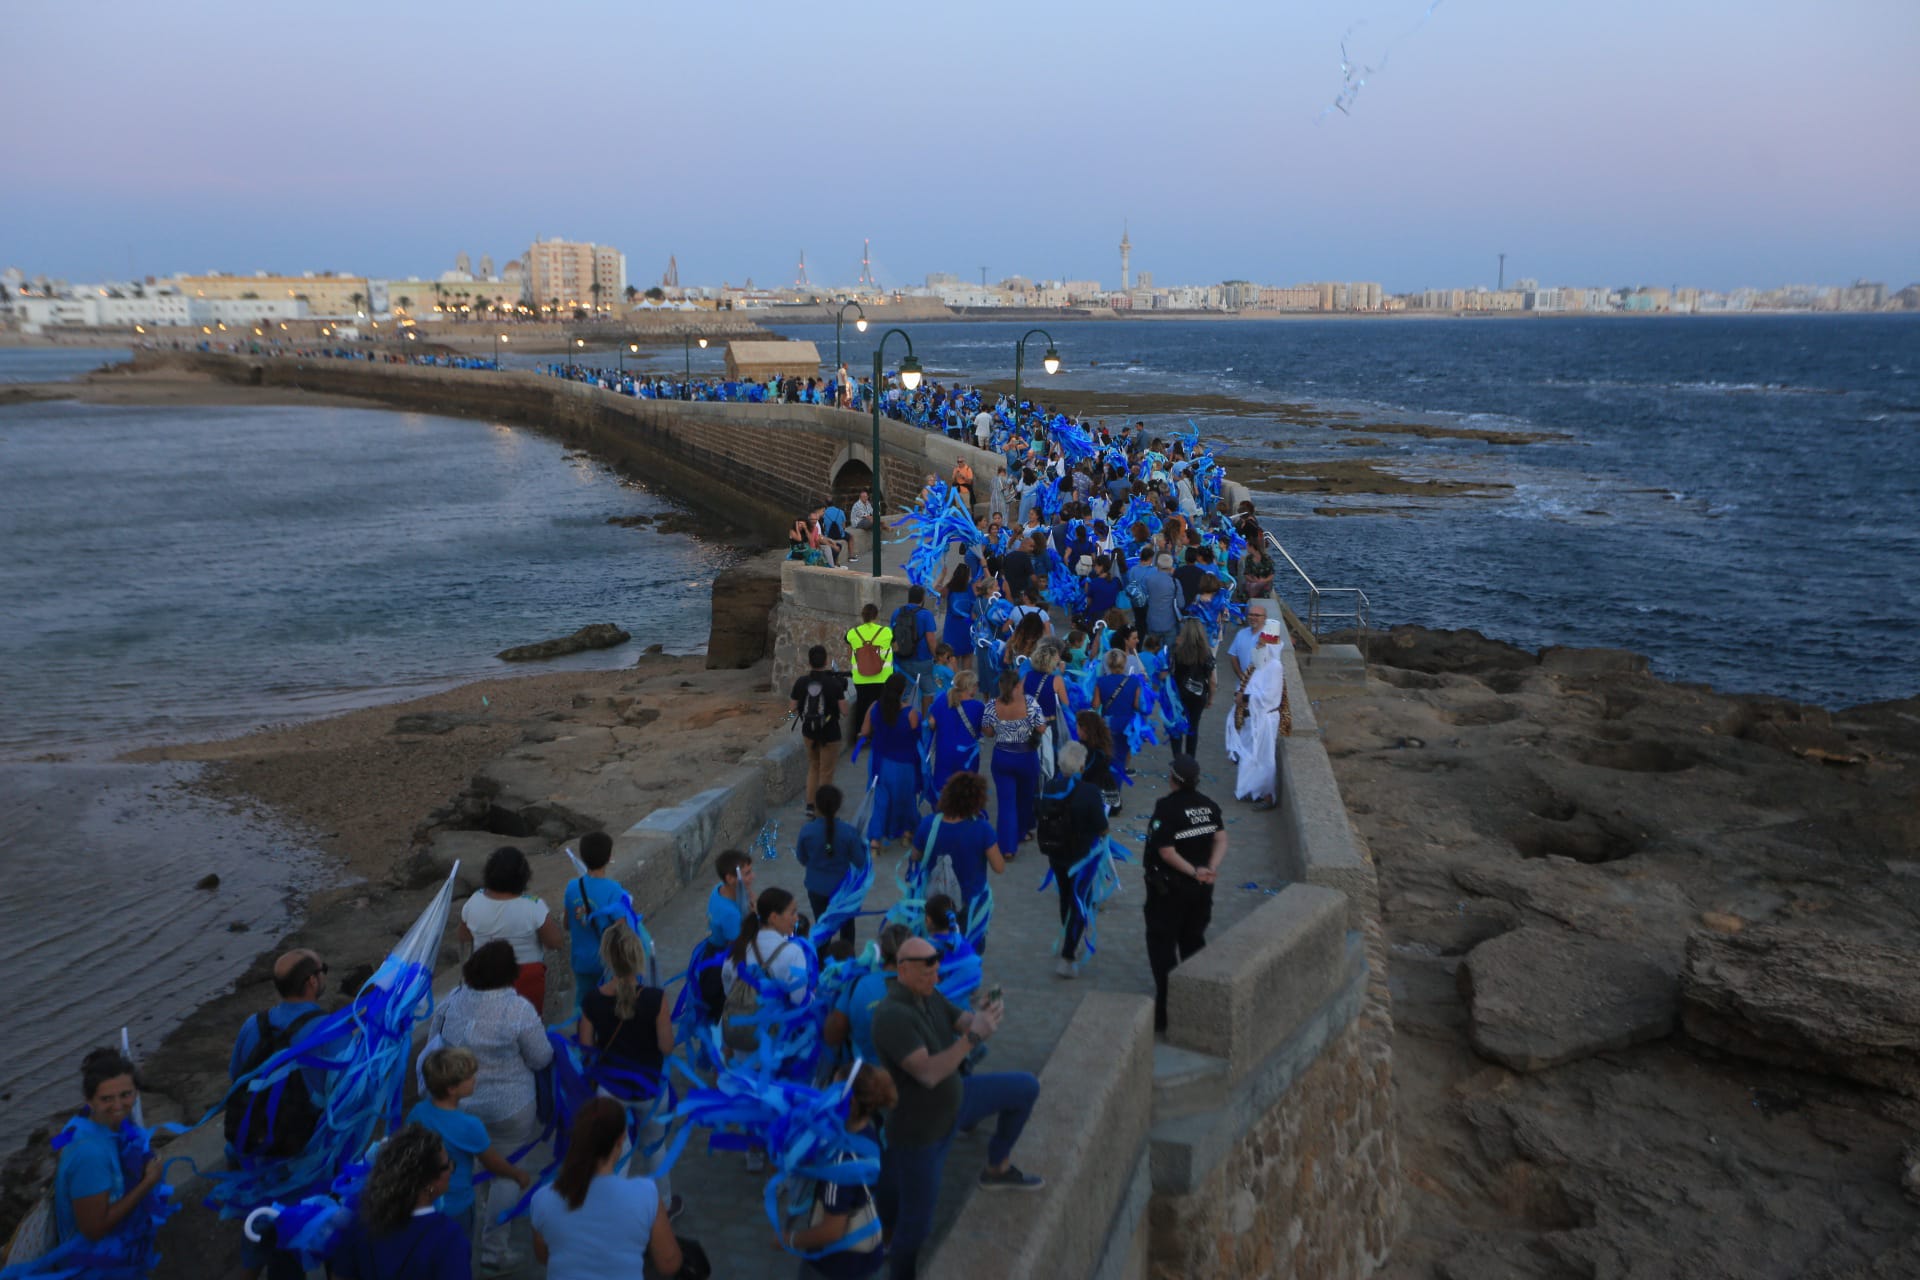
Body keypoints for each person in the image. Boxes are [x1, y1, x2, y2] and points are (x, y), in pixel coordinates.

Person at [873, 938, 1043, 1280]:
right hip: (922, 1132)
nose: (936, 976)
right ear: (903, 970)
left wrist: (984, 1014)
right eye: (928, 970)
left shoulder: (929, 994)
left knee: (1025, 1087)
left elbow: (963, 1021)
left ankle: (997, 1167)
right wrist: (973, 1038)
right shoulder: (892, 1016)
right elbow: (929, 1073)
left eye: (938, 968)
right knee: (916, 1228)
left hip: (957, 1102)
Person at [428, 941, 554, 1270]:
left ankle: (482, 1217)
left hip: (463, 1104)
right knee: (509, 1171)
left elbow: (435, 1046)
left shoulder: (452, 1003)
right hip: (512, 1106)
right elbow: (541, 1057)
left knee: (478, 1164)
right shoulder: (518, 1010)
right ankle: (494, 1250)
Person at [578, 922, 680, 1215]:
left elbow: (587, 1049)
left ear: (606, 957)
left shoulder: (592, 1000)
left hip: (611, 1088)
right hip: (649, 1085)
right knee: (654, 1145)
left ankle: (614, 1210)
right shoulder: (655, 999)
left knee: (615, 1152)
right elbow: (667, 1047)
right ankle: (663, 1205)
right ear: (637, 957)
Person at [530, 1098, 683, 1280]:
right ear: (621, 1140)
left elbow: (544, 1257)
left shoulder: (542, 1199)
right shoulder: (645, 1194)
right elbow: (669, 1264)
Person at [407, 1047, 530, 1246]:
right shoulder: (469, 1126)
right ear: (451, 1088)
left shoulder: (418, 1112)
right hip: (457, 1205)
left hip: (425, 1201)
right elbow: (493, 1163)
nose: (474, 1079)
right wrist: (517, 1174)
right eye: (469, 1077)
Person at [1142, 755, 1227, 1033]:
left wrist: (1192, 871)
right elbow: (1221, 837)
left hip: (1171, 890)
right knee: (1193, 941)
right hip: (1202, 889)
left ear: (1173, 779)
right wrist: (1210, 868)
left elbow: (1166, 851)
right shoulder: (1209, 805)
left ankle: (1166, 1009)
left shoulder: (1167, 809)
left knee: (1163, 946)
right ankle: (1197, 1002)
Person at [786, 1063, 896, 1279]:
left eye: (833, 1090)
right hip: (867, 1260)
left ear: (850, 1102)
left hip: (833, 1267)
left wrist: (789, 1239)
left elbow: (832, 1230)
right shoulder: (869, 1131)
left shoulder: (840, 1162)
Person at [53, 1048, 163, 1253]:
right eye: (106, 1099)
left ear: (136, 1092)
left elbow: (58, 1143)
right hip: (95, 1262)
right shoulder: (91, 1155)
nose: (118, 1105)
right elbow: (94, 1231)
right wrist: (148, 1182)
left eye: (126, 1094)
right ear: (89, 1100)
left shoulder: (108, 1124)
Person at [327, 1125, 471, 1280]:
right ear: (429, 1183)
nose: (451, 1168)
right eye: (446, 1165)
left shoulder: (359, 1220)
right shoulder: (448, 1238)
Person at [458, 846, 564, 1017]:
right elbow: (555, 942)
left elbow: (464, 936)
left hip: (485, 975)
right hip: (526, 978)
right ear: (523, 877)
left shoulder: (473, 902)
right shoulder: (534, 905)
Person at [1037, 741, 1109, 978]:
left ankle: (1069, 937)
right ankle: (1068, 954)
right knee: (1079, 900)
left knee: (1066, 897)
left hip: (1056, 852)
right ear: (1081, 766)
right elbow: (1101, 826)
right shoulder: (1089, 792)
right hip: (1082, 855)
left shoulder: (1050, 786)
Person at [910, 773, 1006, 940]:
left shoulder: (928, 823)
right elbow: (999, 867)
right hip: (970, 902)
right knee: (968, 950)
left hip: (936, 902)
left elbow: (915, 856)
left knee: (936, 949)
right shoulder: (982, 829)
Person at [979, 670, 1047, 855]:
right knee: (1025, 799)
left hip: (1002, 756)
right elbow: (1041, 727)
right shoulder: (1030, 703)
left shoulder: (992, 705)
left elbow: (987, 731)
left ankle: (1007, 848)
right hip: (1026, 757)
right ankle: (1022, 832)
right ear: (1018, 686)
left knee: (1006, 803)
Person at [856, 673, 923, 855]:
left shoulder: (874, 708)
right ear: (903, 692)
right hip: (904, 764)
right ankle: (907, 833)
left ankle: (875, 841)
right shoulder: (911, 714)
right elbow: (918, 737)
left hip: (880, 762)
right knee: (907, 798)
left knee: (880, 800)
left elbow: (864, 731)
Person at [1225, 619, 1288, 810]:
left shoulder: (1275, 666)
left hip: (1265, 719)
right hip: (1253, 717)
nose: (1258, 645)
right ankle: (1252, 790)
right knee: (1251, 755)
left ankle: (1267, 795)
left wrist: (1245, 699)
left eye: (1261, 643)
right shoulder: (1260, 664)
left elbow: (1269, 696)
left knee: (1264, 757)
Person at [796, 784, 869, 946]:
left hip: (816, 888)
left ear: (816, 805)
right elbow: (860, 861)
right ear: (838, 806)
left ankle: (821, 962)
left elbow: (801, 858)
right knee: (847, 927)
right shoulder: (849, 832)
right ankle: (846, 958)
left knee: (822, 925)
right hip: (843, 890)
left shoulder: (807, 831)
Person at [562, 831, 626, 998]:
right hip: (606, 963)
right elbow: (622, 928)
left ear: (582, 856)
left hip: (580, 961)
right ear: (609, 857)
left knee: (583, 1005)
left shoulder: (571, 886)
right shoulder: (614, 889)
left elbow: (566, 924)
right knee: (607, 1006)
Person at [791, 644, 851, 815]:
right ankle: (822, 808)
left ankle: (810, 805)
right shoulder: (833, 683)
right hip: (830, 734)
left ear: (809, 662)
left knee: (813, 767)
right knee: (826, 771)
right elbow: (845, 712)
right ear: (826, 661)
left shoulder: (801, 682)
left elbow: (792, 708)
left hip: (809, 732)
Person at [927, 671, 984, 800]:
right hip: (967, 754)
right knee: (966, 790)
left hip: (944, 752)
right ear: (971, 687)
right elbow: (986, 730)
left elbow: (931, 723)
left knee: (944, 790)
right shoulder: (978, 707)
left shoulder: (942, 699)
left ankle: (944, 817)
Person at [845, 603, 895, 739]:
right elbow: (896, 648)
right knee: (882, 706)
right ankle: (880, 735)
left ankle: (860, 734)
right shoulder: (887, 632)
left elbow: (849, 655)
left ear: (862, 616)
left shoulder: (852, 633)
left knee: (862, 706)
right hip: (882, 678)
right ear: (877, 616)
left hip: (861, 678)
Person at [1170, 618, 1217, 758]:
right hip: (1198, 695)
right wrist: (1211, 699)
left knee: (1177, 726)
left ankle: (1177, 758)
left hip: (1179, 694)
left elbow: (1169, 672)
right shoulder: (1206, 653)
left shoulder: (1177, 651)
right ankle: (1190, 759)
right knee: (1193, 727)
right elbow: (1212, 680)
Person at [1095, 649, 1144, 777]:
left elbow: (1095, 705)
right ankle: (1116, 791)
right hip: (1126, 724)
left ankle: (1106, 788)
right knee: (1121, 758)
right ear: (1124, 664)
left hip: (1107, 723)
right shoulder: (1134, 682)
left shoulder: (1101, 681)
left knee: (1107, 757)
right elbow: (1137, 706)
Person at [890, 587, 939, 701]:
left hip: (901, 659)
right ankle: (924, 718)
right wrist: (936, 657)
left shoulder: (897, 612)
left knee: (904, 692)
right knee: (928, 691)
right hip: (922, 660)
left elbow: (892, 636)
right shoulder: (926, 614)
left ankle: (904, 716)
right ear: (922, 599)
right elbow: (930, 640)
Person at [938, 563, 974, 670]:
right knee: (967, 657)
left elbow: (935, 591)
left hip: (952, 628)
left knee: (952, 659)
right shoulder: (971, 588)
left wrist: (942, 576)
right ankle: (966, 684)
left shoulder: (949, 588)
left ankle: (954, 684)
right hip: (967, 626)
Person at [1226, 605, 1270, 689]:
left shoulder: (1269, 637)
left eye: (1257, 615)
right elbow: (1233, 656)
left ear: (1265, 618)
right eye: (1250, 614)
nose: (1253, 617)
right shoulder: (1241, 633)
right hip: (1242, 685)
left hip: (1262, 686)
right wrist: (1241, 676)